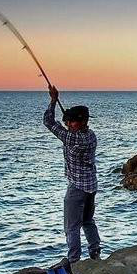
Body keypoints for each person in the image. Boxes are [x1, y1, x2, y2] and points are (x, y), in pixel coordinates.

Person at [44, 85, 101, 262]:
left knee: (71, 227)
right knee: (88, 221)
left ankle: (74, 261)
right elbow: (64, 127)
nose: (68, 124)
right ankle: (95, 252)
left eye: (71, 122)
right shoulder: (90, 135)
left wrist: (53, 101)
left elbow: (48, 121)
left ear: (81, 122)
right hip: (91, 186)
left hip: (77, 188)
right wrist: (69, 120)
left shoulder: (72, 137)